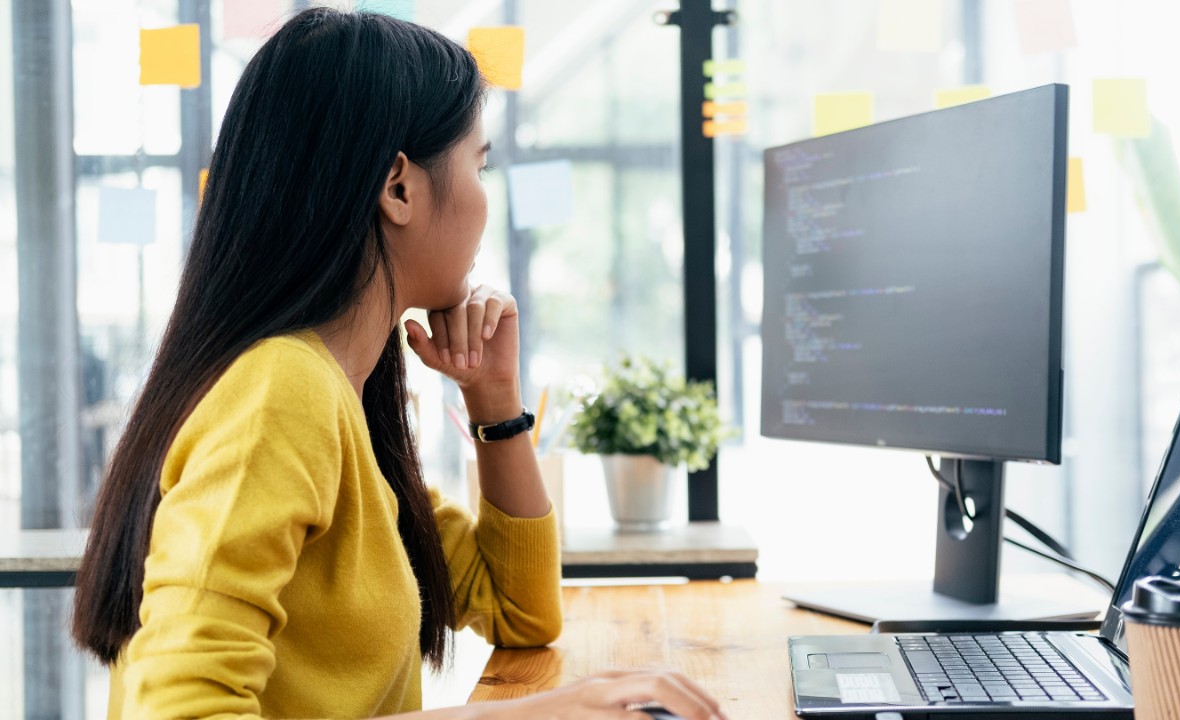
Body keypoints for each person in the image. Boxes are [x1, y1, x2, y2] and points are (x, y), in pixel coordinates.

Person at [70, 8, 724, 720]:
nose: (484, 197)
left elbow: (520, 611)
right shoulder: (281, 392)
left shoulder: (344, 398)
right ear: (399, 187)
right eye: (479, 164)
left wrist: (494, 397)